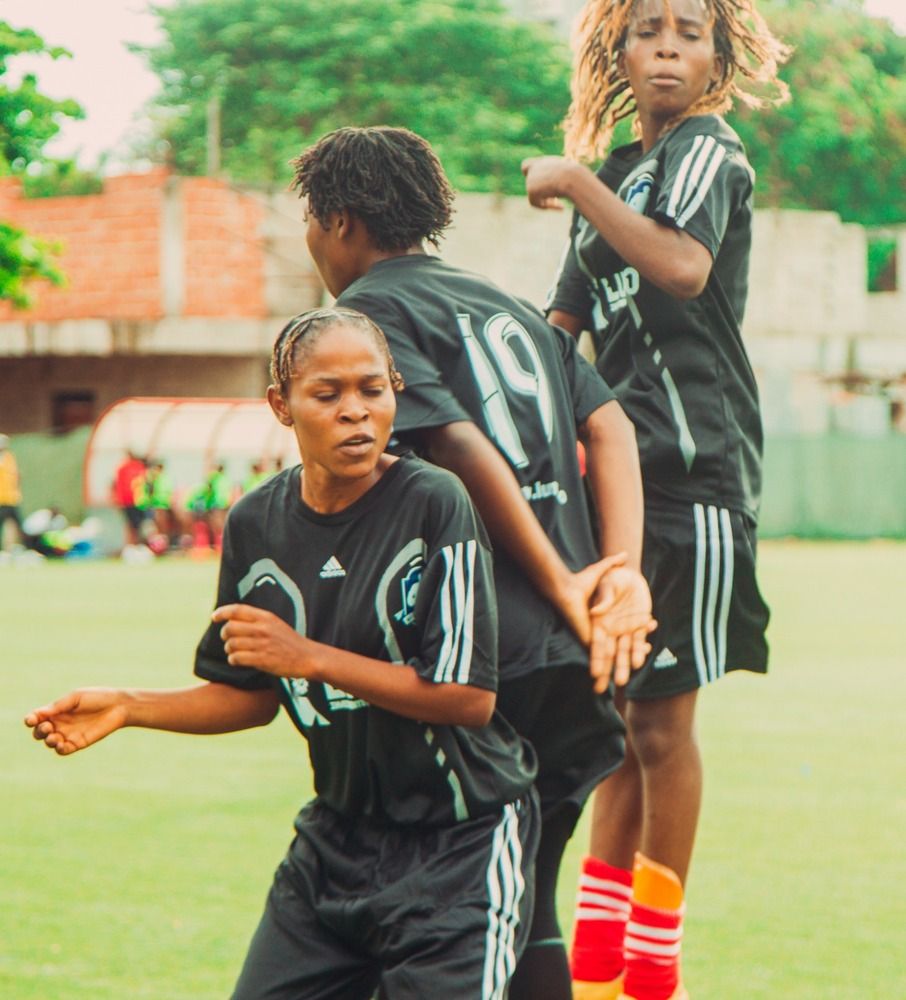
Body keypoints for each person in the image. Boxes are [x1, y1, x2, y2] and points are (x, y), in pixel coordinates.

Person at [26, 307, 541, 1000]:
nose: (355, 412)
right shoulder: (255, 524)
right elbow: (251, 696)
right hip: (335, 845)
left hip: (461, 844)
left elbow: (468, 697)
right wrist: (128, 707)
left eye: (373, 389)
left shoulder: (433, 502)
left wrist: (309, 656)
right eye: (327, 394)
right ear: (281, 405)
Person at [291, 125, 654, 1000]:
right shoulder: (510, 307)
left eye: (310, 221)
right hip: (576, 659)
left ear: (339, 221)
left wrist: (560, 583)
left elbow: (458, 444)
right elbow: (611, 426)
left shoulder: (367, 318)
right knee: (523, 905)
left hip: (478, 657)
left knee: (436, 920)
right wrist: (618, 574)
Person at [522, 1, 789, 997]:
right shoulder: (622, 175)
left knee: (662, 733)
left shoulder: (709, 152)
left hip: (696, 477)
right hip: (618, 493)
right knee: (617, 737)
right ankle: (598, 975)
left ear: (717, 55)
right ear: (618, 49)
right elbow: (561, 328)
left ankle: (651, 976)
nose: (669, 44)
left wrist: (575, 181)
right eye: (648, 29)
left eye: (689, 30)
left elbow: (681, 268)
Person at [112, 450, 149, 547]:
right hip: (138, 501)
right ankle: (135, 544)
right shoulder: (139, 467)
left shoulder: (123, 468)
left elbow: (118, 485)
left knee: (132, 525)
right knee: (137, 525)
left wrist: (118, 500)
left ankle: (133, 544)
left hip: (131, 501)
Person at [0, 433, 24, 550]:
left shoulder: (10, 457)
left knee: (17, 525)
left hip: (12, 499)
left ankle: (18, 547)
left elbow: (17, 476)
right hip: (1, 499)